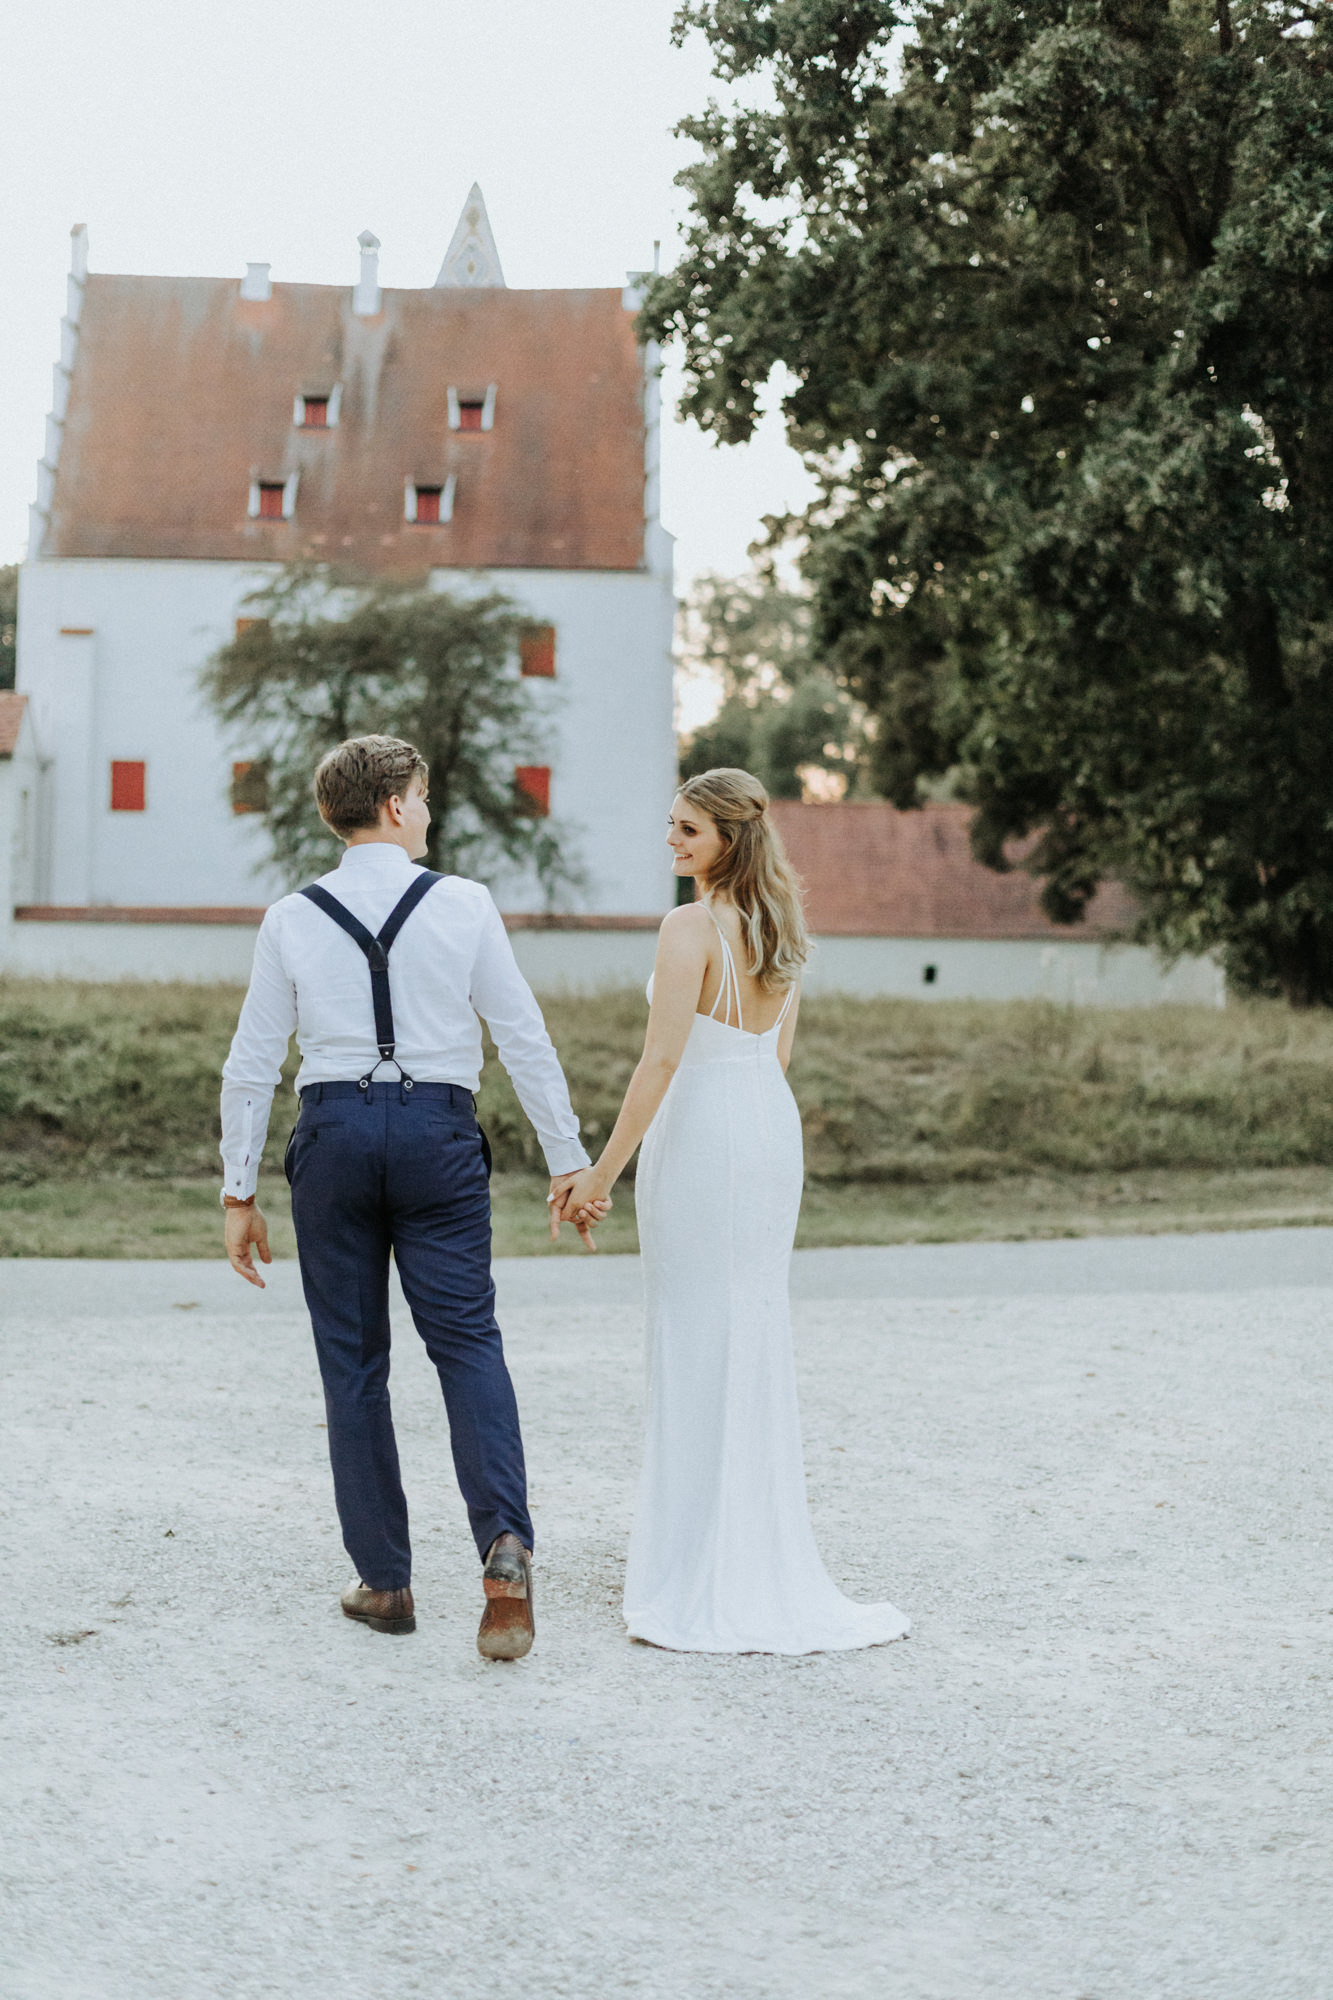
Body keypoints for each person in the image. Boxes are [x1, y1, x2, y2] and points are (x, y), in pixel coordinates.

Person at [220, 734, 598, 1661]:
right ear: (393, 804)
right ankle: (504, 1548)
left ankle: (385, 1583)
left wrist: (238, 1189)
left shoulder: (290, 916)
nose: (428, 813)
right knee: (467, 1343)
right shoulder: (464, 906)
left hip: (334, 1136)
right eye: (423, 797)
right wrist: (566, 1157)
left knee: (352, 1365)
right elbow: (523, 1036)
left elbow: (252, 1065)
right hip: (436, 1132)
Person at [553, 768, 909, 1654]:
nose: (670, 841)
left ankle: (699, 1565)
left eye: (687, 831)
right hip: (762, 1127)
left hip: (704, 1127)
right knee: (744, 1325)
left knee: (696, 1329)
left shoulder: (690, 926)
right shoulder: (781, 924)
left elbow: (660, 1063)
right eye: (670, 825)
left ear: (729, 838)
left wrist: (600, 1172)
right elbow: (773, 1057)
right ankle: (740, 1548)